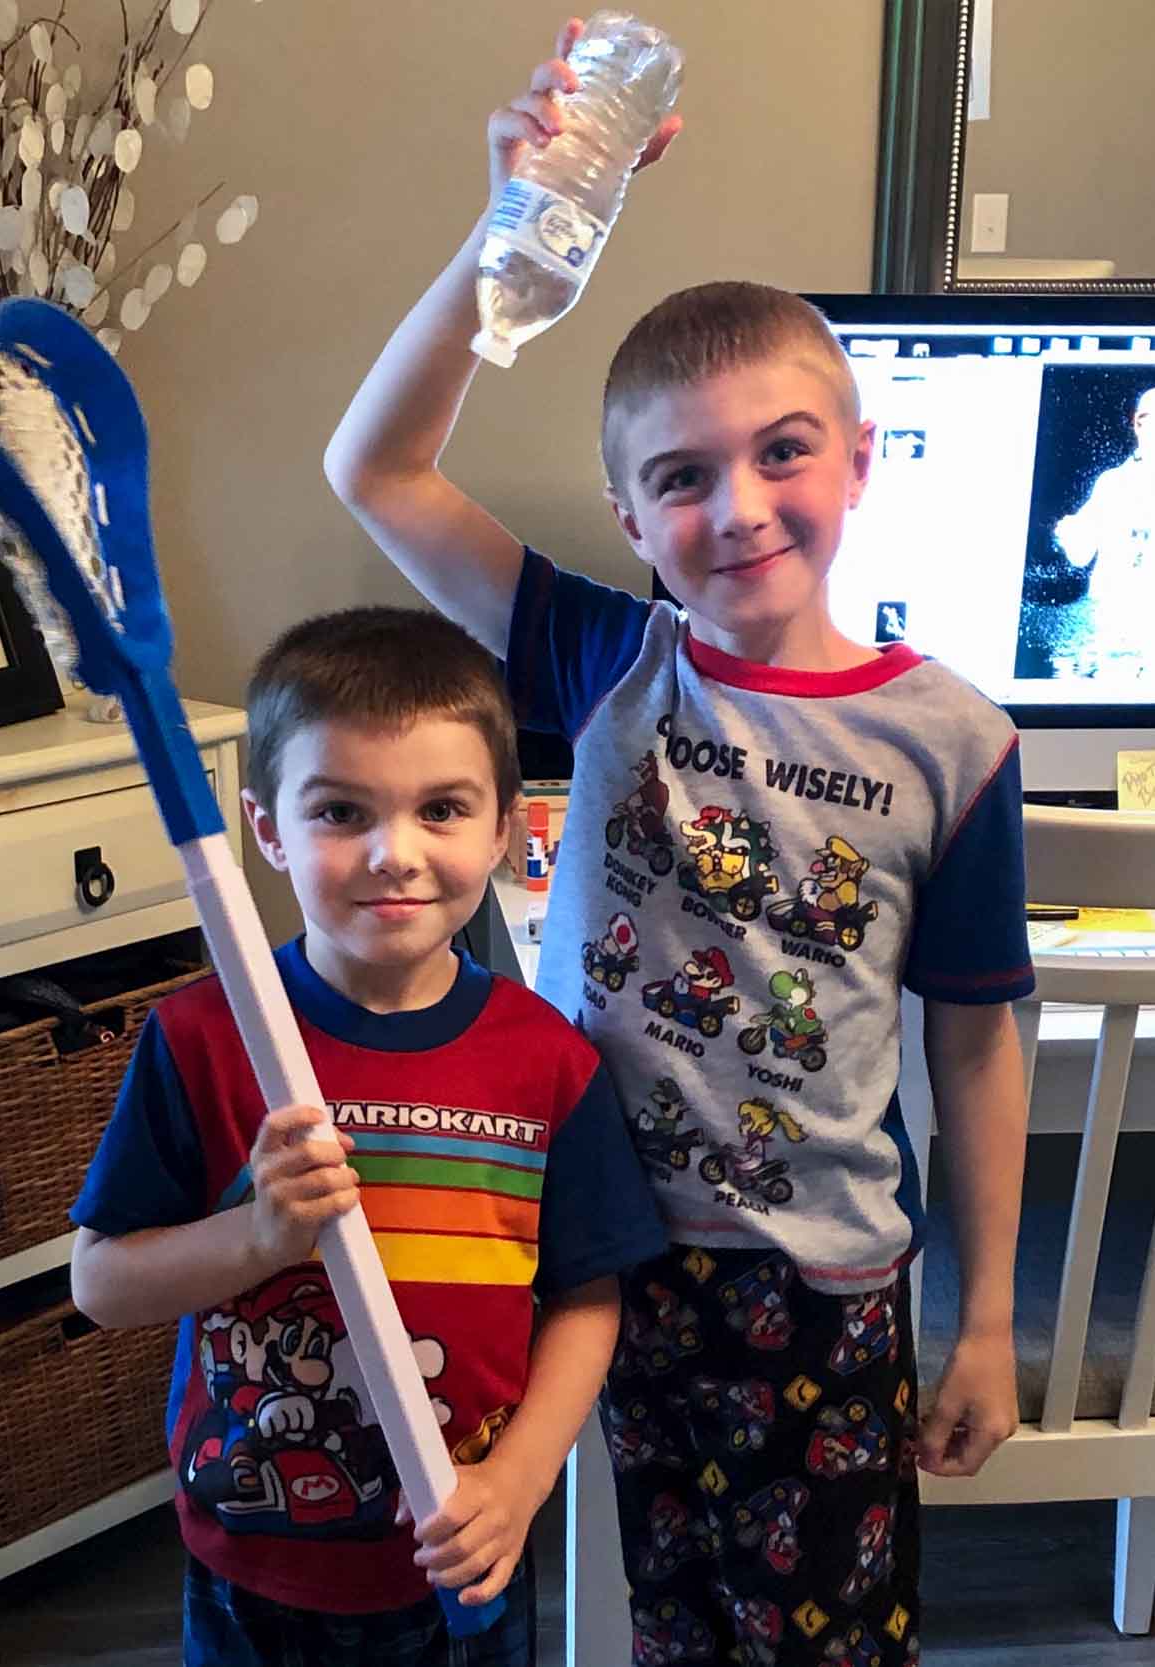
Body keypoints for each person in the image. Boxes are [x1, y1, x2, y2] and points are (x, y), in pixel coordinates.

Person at [321, 22, 1032, 1664]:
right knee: (660, 1618)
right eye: (682, 477)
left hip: (821, 1283)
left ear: (861, 460)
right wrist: (505, 234)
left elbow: (979, 1040)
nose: (739, 506)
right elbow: (376, 466)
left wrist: (987, 1313)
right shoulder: (604, 660)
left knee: (825, 1639)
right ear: (633, 520)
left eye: (785, 451)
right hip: (591, 1248)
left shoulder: (954, 742)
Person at [70, 607, 666, 1667]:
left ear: (501, 827)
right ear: (266, 828)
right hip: (253, 1558)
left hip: (461, 1552)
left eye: (441, 808)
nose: (395, 853)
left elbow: (586, 1295)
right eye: (341, 810)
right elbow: (102, 1283)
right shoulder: (202, 1039)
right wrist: (255, 1237)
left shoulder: (546, 1059)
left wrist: (517, 1482)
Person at [1050, 384, 1155, 674]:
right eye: (1146, 417)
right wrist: (1069, 533)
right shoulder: (1113, 484)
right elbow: (1081, 554)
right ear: (1136, 423)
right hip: (1113, 632)